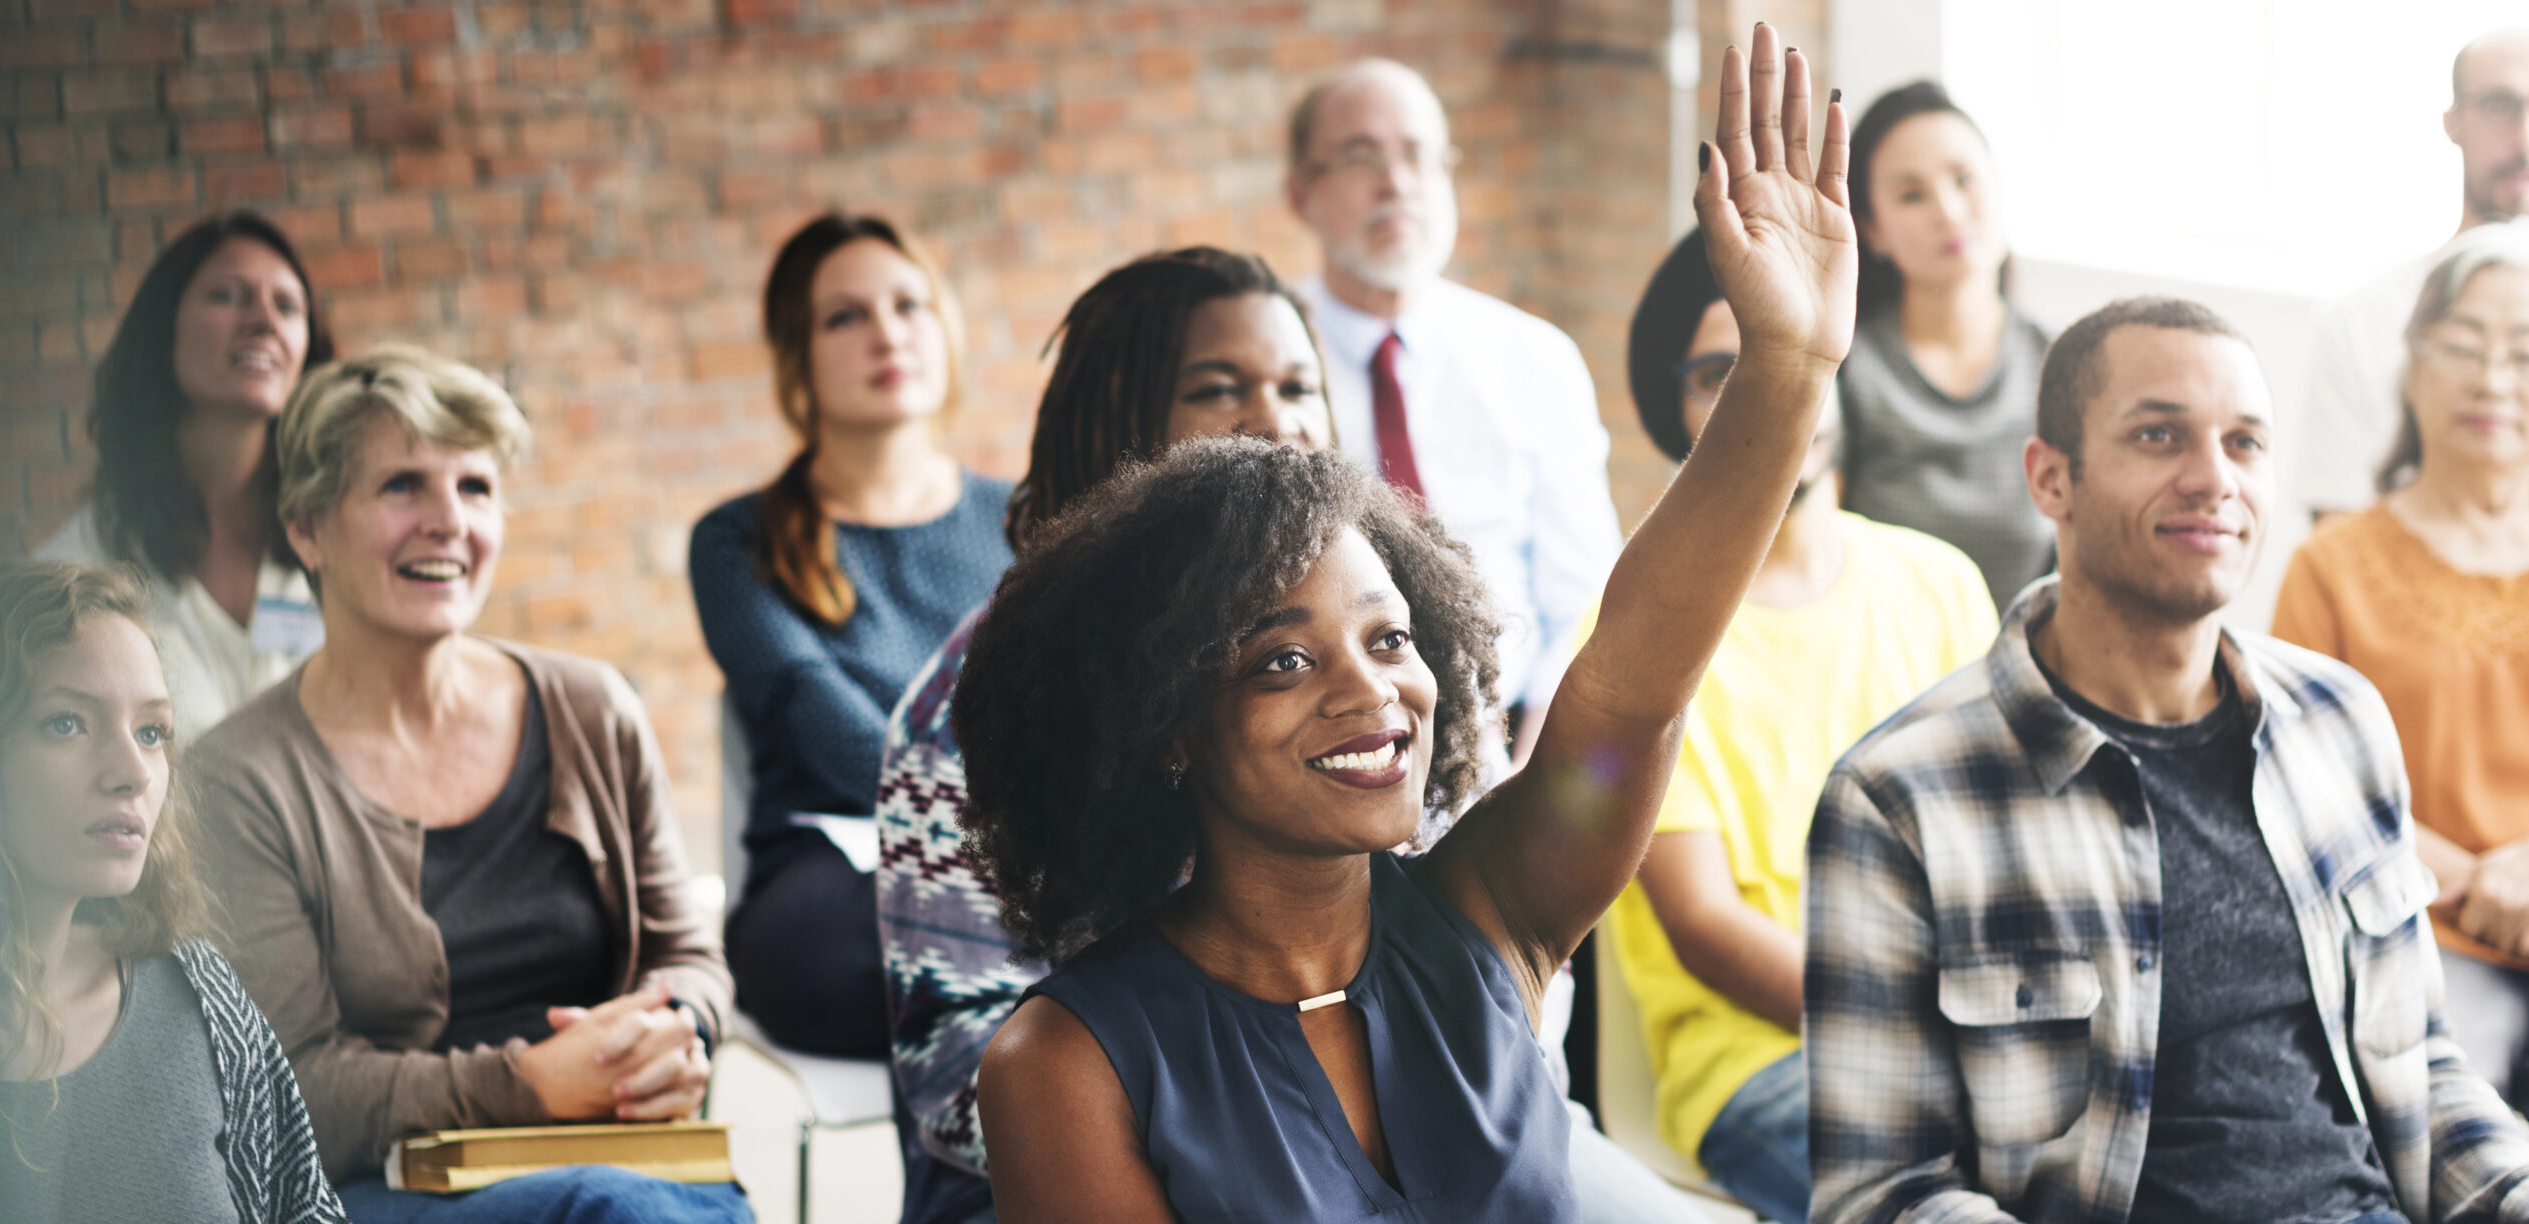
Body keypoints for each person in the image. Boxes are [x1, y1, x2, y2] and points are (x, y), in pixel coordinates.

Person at [967, 28, 1852, 1221]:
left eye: (1389, 640)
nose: (1370, 691)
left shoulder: (1493, 911)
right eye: (1283, 659)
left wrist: (1785, 368)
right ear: (1165, 722)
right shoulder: (1068, 1063)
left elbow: (1633, 686)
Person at [1804, 294, 2529, 1224]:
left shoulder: (2342, 722)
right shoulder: (1898, 799)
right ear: (2051, 480)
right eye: (2159, 437)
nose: (2214, 478)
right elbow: (1885, 1195)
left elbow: (2421, 1066)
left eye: (2246, 444)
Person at [190, 347, 745, 1222]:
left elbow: (690, 955)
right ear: (306, 528)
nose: (449, 521)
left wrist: (673, 1030)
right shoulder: (237, 781)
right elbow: (293, 1087)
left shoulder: (592, 707)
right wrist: (525, 1084)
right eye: (403, 486)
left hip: (626, 1156)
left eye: (476, 487)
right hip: (385, 1189)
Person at [877, 246, 1334, 1224]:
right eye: (1219, 389)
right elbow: (958, 1067)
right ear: (1117, 429)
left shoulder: (1390, 664)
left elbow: (1481, 940)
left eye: (1300, 385)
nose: (1278, 420)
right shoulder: (976, 704)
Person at [1602, 229, 1997, 1224]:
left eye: (1788, 359)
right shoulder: (1634, 636)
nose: (1764, 394)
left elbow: (2009, 840)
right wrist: (1923, 1031)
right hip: (1762, 1064)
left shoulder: (1937, 581)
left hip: (1971, 1031)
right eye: (1716, 372)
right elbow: (1702, 925)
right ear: (1672, 409)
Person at [690, 212, 1010, 1060]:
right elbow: (822, 722)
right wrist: (994, 831)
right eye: (846, 316)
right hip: (836, 878)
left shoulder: (1025, 519)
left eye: (909, 305)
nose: (887, 334)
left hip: (1020, 854)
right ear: (798, 356)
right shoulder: (736, 541)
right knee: (948, 944)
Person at [0, 561, 346, 1223]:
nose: (132, 772)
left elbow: (306, 1209)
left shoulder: (194, 991)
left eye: (151, 732)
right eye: (67, 723)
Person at [1283, 56, 1624, 765]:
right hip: (1330, 747)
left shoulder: (1534, 357)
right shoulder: (1267, 366)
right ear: (1301, 193)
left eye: (1418, 155)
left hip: (1515, 742)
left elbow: (1587, 600)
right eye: (1359, 156)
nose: (1397, 183)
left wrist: (1536, 769)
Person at [2274, 225, 2529, 1106]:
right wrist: (2481, 884)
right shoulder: (2333, 563)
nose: (2494, 379)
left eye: (2523, 353)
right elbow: (2301, 782)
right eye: (2464, 347)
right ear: (2412, 368)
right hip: (2417, 932)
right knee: (2454, 1124)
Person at [36, 211, 338, 744]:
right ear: (164, 328)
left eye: (287, 306)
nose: (264, 321)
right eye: (228, 296)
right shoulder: (76, 569)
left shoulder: (341, 538)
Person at [1837, 81, 2054, 607]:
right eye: (1912, 195)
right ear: (1872, 229)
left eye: (1964, 179)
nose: (1950, 212)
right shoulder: (1847, 371)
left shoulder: (2058, 366)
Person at [2302, 26, 2529, 520]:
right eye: (2499, 105)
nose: (2525, 136)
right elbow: (2337, 551)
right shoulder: (2362, 322)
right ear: (2453, 122)